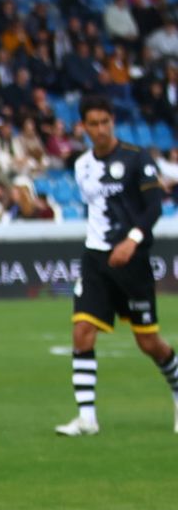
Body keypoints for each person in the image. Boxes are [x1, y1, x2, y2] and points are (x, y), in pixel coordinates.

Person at [55, 96, 178, 436]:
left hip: (133, 261)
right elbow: (94, 207)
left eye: (105, 122)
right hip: (96, 259)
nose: (100, 129)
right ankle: (87, 418)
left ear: (113, 122)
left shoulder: (137, 159)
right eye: (92, 124)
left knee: (149, 342)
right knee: (82, 333)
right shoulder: (82, 166)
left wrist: (132, 240)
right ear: (83, 127)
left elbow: (154, 206)